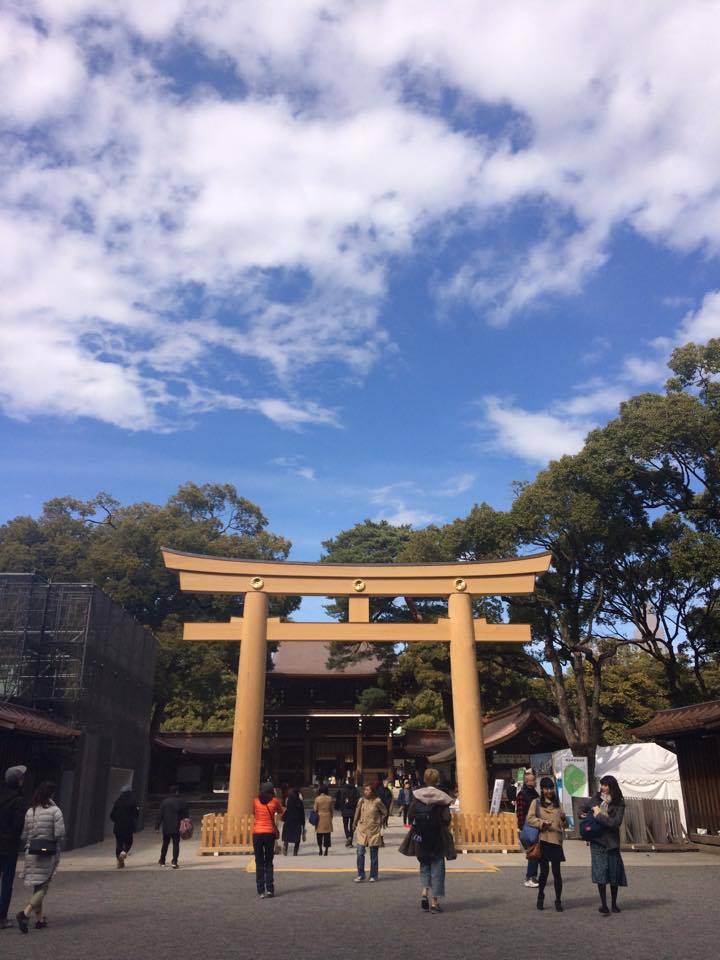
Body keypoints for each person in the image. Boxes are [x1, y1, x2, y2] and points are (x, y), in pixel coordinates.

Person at [399, 768, 456, 913]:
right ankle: (435, 903)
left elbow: (411, 814)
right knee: (437, 867)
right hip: (437, 836)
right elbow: (446, 818)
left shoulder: (417, 795)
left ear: (425, 779)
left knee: (424, 864)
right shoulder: (442, 797)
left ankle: (424, 892)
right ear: (437, 780)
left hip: (421, 836)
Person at [16, 781, 65, 933]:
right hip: (47, 853)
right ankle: (25, 913)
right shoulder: (55, 811)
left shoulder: (31, 811)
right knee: (43, 886)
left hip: (32, 852)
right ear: (51, 795)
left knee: (38, 885)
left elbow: (24, 834)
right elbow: (59, 834)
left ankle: (40, 919)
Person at [581, 774, 627, 915]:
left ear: (612, 787)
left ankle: (613, 903)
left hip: (612, 842)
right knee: (600, 873)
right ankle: (604, 904)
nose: (603, 788)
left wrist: (598, 816)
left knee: (614, 873)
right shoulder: (596, 798)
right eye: (602, 785)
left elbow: (614, 823)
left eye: (605, 785)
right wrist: (582, 815)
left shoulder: (619, 802)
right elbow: (583, 808)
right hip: (597, 841)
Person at [526, 776, 566, 912]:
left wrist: (563, 818)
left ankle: (558, 900)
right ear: (542, 789)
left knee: (557, 873)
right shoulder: (536, 802)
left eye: (551, 788)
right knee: (544, 873)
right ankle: (541, 895)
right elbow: (529, 819)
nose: (549, 791)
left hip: (556, 841)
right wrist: (542, 823)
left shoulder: (557, 803)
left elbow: (562, 823)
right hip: (543, 840)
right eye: (546, 788)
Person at [0, 765, 27, 929]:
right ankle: (1, 916)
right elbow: (18, 826)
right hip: (8, 846)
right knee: (7, 882)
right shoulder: (18, 801)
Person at [253, 782, 284, 898]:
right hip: (269, 833)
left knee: (259, 861)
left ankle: (260, 890)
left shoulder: (255, 801)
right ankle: (270, 888)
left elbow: (254, 813)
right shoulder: (274, 801)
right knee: (269, 861)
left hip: (257, 833)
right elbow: (281, 811)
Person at [352, 785, 386, 882]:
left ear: (372, 791)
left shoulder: (377, 801)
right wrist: (354, 823)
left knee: (373, 854)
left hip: (374, 830)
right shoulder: (361, 800)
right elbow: (357, 812)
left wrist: (380, 821)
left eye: (368, 790)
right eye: (365, 790)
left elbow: (385, 812)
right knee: (360, 853)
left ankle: (373, 875)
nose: (365, 792)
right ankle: (361, 874)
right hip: (362, 829)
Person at [516, 769, 540, 888]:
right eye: (533, 780)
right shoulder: (523, 794)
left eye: (534, 779)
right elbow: (520, 812)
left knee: (535, 852)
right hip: (529, 827)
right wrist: (521, 828)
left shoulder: (534, 793)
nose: (534, 782)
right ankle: (530, 877)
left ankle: (533, 876)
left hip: (535, 826)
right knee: (533, 852)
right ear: (527, 781)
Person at [155, 785, 189, 869]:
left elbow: (160, 815)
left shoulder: (164, 802)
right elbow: (186, 815)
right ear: (177, 792)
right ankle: (174, 862)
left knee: (165, 844)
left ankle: (162, 860)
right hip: (177, 827)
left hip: (166, 827)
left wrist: (157, 826)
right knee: (176, 844)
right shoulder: (182, 802)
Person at [109, 784, 139, 868]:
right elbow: (136, 814)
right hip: (128, 826)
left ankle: (119, 862)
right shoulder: (132, 801)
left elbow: (112, 815)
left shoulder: (117, 801)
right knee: (129, 842)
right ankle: (124, 853)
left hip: (118, 827)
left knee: (119, 844)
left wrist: (117, 821)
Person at [335, 778, 359, 847]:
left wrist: (342, 809)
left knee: (345, 825)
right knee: (352, 825)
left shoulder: (343, 789)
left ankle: (348, 836)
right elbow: (358, 799)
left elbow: (341, 800)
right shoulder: (355, 790)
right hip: (353, 810)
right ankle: (350, 841)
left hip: (345, 810)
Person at [282, 787, 305, 856]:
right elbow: (302, 812)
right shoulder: (299, 801)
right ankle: (295, 852)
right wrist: (303, 823)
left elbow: (285, 807)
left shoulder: (288, 800)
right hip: (297, 820)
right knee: (297, 836)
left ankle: (285, 847)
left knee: (287, 834)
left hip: (288, 819)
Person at [313, 783, 334, 856]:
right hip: (327, 816)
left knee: (319, 834)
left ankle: (320, 849)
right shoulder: (329, 798)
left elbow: (315, 809)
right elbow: (331, 809)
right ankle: (326, 850)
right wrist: (331, 817)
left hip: (319, 817)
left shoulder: (317, 799)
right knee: (327, 835)